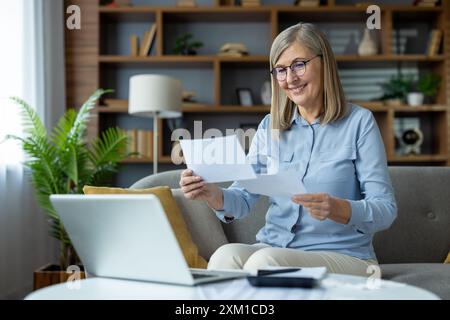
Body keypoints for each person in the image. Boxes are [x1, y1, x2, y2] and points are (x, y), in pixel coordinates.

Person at [179, 22, 397, 277]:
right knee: (224, 257)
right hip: (274, 246)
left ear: (324, 62)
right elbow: (243, 198)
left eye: (299, 65)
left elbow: (386, 209)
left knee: (265, 263)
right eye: (280, 70)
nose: (290, 78)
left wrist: (340, 208)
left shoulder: (359, 123)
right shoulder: (269, 126)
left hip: (344, 255)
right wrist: (212, 194)